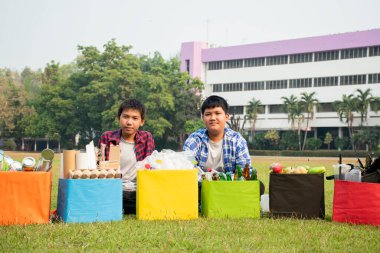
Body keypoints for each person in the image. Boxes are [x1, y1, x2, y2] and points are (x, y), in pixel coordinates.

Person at [183, 95, 264, 201]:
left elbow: (245, 172)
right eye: (208, 114)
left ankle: (217, 198)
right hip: (203, 186)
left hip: (230, 186)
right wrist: (211, 182)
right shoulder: (195, 139)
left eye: (217, 113)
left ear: (226, 116)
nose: (212, 118)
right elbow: (187, 170)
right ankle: (225, 199)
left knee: (259, 186)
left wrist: (221, 181)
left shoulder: (237, 140)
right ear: (203, 117)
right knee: (186, 187)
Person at [98, 99, 155, 214]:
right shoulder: (108, 138)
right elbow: (99, 168)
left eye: (135, 118)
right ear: (119, 118)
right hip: (113, 191)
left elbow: (150, 168)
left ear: (142, 121)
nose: (129, 122)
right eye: (125, 117)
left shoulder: (146, 138)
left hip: (138, 192)